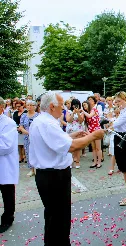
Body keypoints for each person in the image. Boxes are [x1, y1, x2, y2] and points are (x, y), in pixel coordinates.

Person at [29, 92, 104, 245]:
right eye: (61, 105)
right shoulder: (47, 123)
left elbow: (56, 142)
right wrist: (94, 136)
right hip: (54, 176)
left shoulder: (42, 120)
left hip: (48, 175)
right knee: (59, 217)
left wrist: (73, 135)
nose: (63, 108)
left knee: (54, 216)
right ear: (51, 106)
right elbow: (72, 147)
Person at [0, 97, 19, 233]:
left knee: (7, 193)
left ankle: (8, 218)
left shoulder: (9, 123)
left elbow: (6, 146)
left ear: (1, 108)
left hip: (4, 165)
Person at [18, 100, 40, 176]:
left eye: (31, 105)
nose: (29, 107)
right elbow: (21, 127)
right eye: (28, 105)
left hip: (37, 137)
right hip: (27, 137)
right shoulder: (23, 115)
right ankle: (31, 169)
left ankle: (37, 168)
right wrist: (28, 133)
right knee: (28, 152)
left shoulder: (38, 115)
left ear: (35, 106)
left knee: (37, 152)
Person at [82, 96, 103, 168]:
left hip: (97, 130)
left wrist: (83, 112)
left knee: (98, 148)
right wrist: (88, 132)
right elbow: (86, 124)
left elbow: (90, 116)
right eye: (83, 105)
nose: (84, 106)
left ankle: (99, 162)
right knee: (93, 148)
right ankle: (94, 161)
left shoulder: (93, 110)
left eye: (85, 105)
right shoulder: (86, 113)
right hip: (90, 131)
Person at [66, 99, 85, 169]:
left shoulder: (81, 112)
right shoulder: (68, 111)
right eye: (74, 105)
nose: (75, 106)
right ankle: (70, 161)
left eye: (76, 105)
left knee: (77, 147)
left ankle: (77, 161)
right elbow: (68, 120)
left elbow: (81, 121)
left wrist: (77, 113)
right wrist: (73, 113)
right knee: (70, 147)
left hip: (78, 130)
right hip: (70, 131)